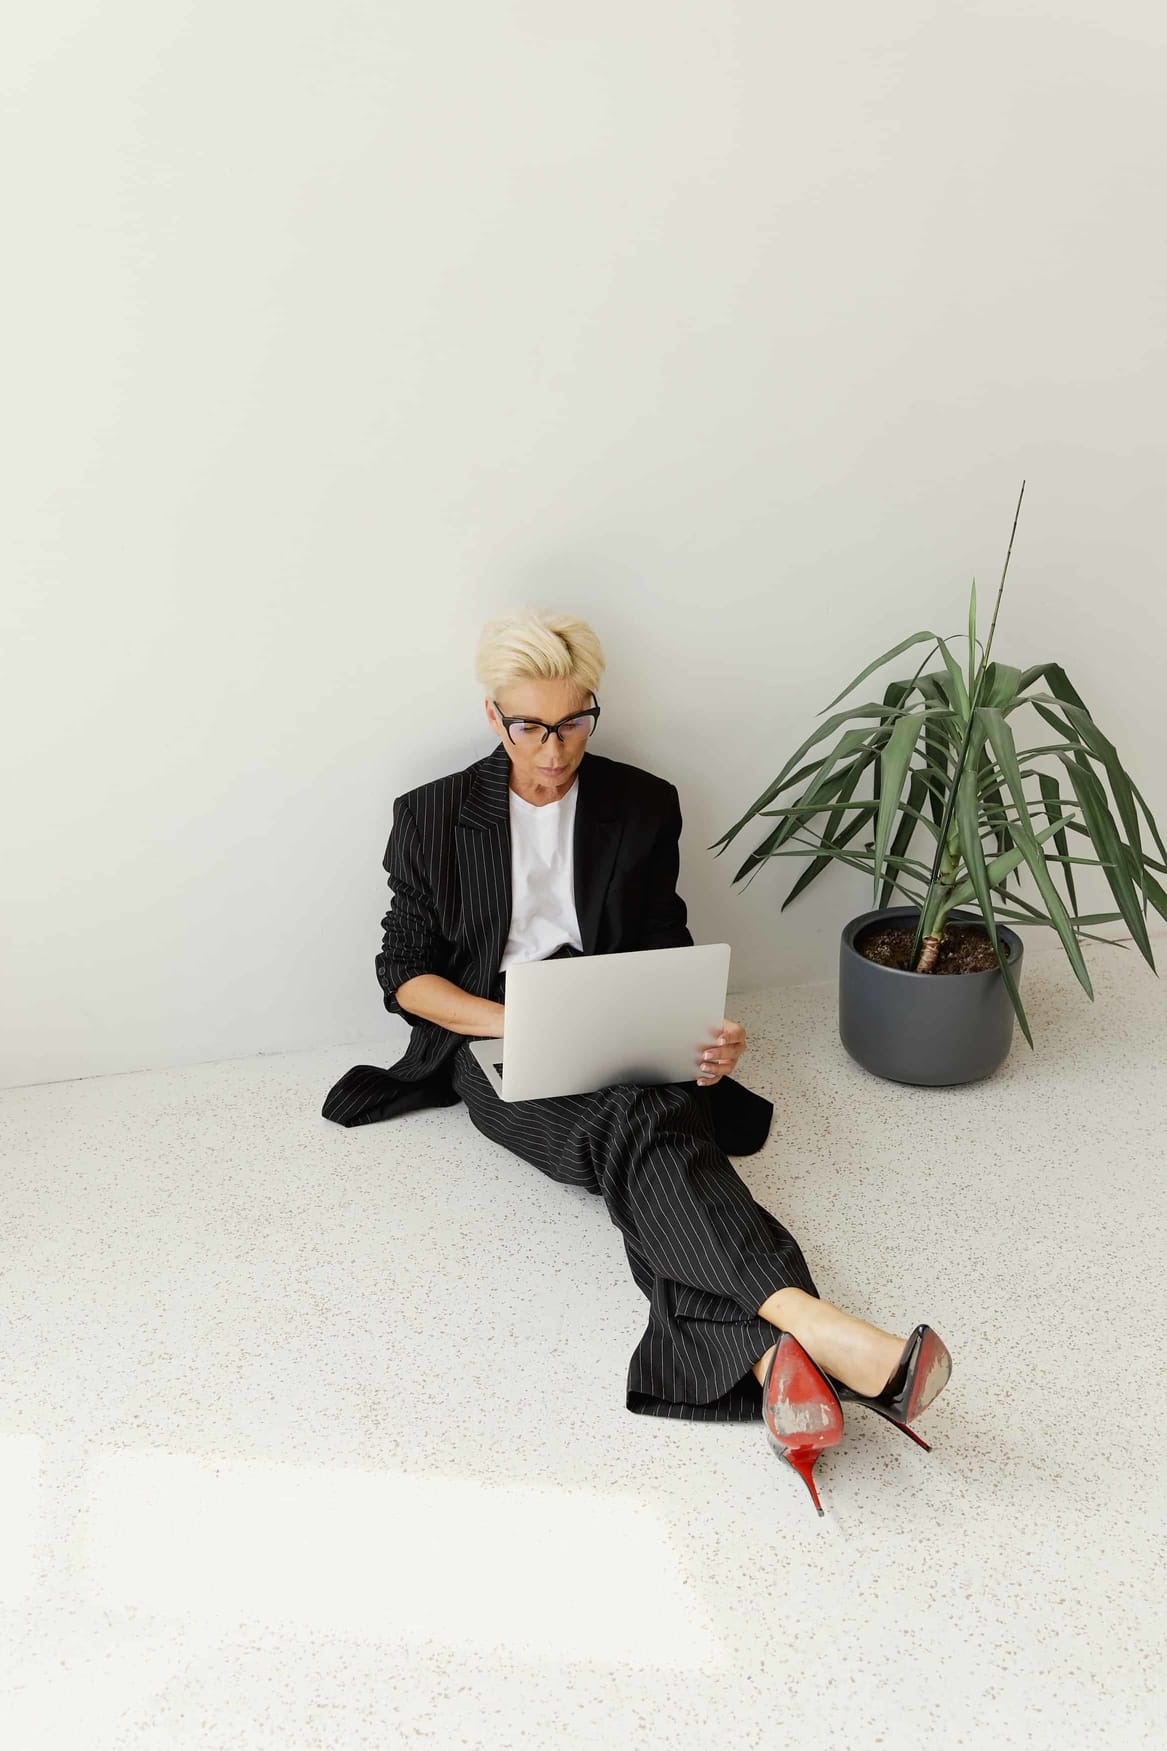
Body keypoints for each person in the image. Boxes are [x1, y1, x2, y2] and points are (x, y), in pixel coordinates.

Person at [363, 610, 951, 1514]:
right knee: (646, 1123)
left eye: (573, 721)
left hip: (614, 1016)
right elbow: (404, 974)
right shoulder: (433, 815)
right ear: (493, 717)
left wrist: (702, 1032)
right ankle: (814, 1323)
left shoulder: (639, 802)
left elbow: (660, 945)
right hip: (490, 1037)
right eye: (531, 726)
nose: (555, 749)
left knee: (653, 1125)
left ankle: (775, 1359)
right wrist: (510, 1023)